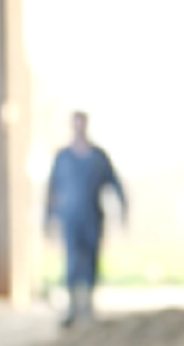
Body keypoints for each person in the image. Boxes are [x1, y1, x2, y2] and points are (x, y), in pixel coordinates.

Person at [45, 111, 128, 328]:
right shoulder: (62, 157)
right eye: (75, 125)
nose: (79, 129)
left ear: (86, 126)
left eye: (82, 124)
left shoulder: (98, 157)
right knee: (72, 261)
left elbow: (115, 185)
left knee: (91, 261)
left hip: (92, 217)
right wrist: (49, 218)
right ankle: (72, 308)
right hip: (70, 218)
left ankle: (88, 309)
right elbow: (51, 190)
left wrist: (122, 212)